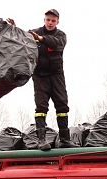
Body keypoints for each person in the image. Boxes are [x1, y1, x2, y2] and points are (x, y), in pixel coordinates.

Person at [8, 9, 76, 150]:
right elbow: (21, 38)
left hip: (56, 75)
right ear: (44, 20)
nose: (50, 23)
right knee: (41, 107)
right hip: (39, 76)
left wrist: (41, 39)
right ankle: (41, 140)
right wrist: (13, 28)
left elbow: (57, 44)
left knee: (62, 106)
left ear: (57, 22)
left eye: (53, 20)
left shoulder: (61, 35)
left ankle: (64, 139)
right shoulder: (34, 32)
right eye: (48, 20)